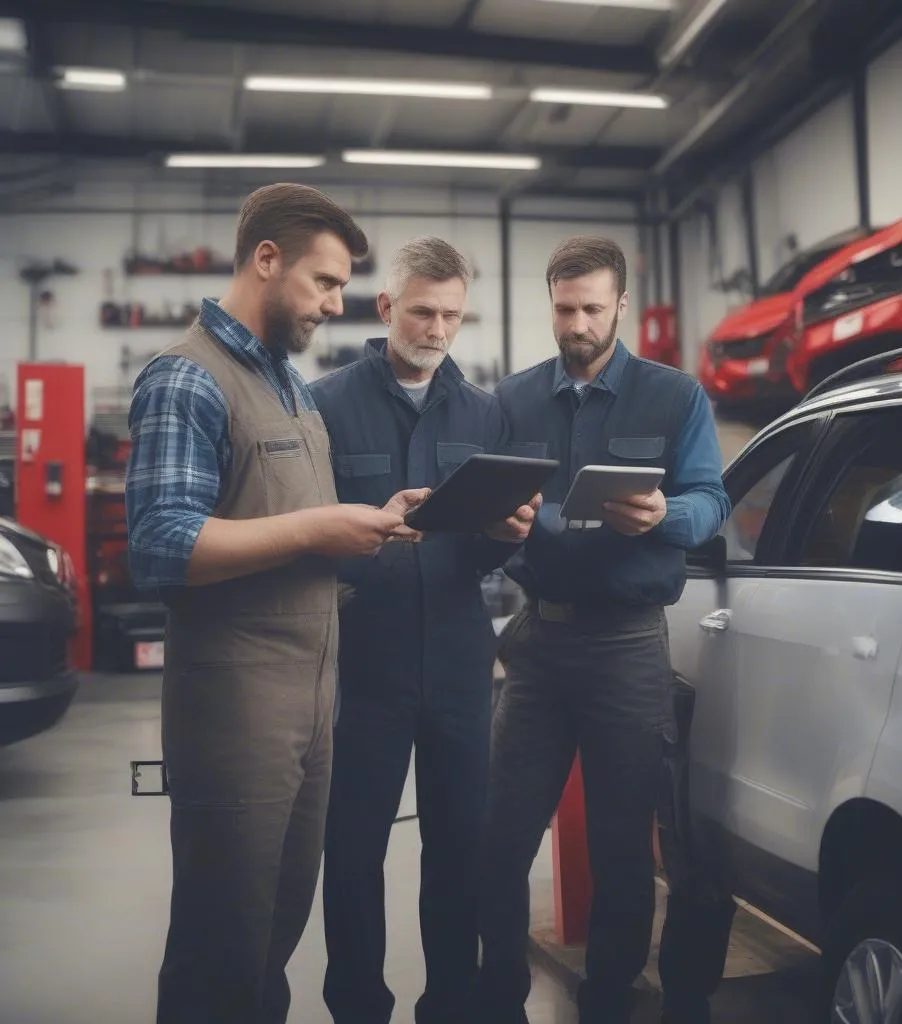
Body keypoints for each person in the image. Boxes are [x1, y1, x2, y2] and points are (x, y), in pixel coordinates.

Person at [125, 183, 427, 1024]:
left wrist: (375, 520)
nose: (337, 304)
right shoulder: (188, 379)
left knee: (273, 938)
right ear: (267, 260)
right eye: (324, 282)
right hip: (234, 710)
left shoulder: (291, 387)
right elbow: (160, 545)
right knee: (221, 947)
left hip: (311, 705)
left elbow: (293, 521)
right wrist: (314, 529)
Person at [475, 236, 732, 1024]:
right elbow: (487, 507)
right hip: (538, 644)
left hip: (627, 646)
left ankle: (609, 1000)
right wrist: (496, 521)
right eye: (563, 308)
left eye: (592, 307)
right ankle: (499, 999)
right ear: (548, 301)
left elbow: (712, 499)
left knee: (623, 850)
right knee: (498, 839)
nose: (577, 323)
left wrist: (667, 514)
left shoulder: (674, 396)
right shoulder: (510, 402)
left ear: (622, 304)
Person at [310, 237, 538, 1024]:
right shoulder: (325, 404)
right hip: (359, 657)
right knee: (353, 848)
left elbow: (482, 540)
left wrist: (508, 534)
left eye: (451, 315)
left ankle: (451, 1005)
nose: (438, 329)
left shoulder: (485, 411)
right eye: (422, 311)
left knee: (458, 848)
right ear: (385, 308)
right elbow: (303, 529)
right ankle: (358, 1008)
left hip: (457, 657)